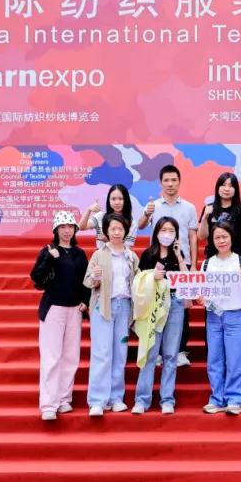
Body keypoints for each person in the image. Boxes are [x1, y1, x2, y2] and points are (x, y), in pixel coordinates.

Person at [136, 165, 199, 368]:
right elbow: (140, 225)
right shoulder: (154, 205)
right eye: (166, 180)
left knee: (182, 308)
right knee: (158, 304)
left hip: (181, 261)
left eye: (174, 180)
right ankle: (157, 350)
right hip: (158, 261)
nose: (170, 184)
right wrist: (147, 213)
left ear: (179, 182)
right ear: (161, 183)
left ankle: (180, 350)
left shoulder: (189, 207)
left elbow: (193, 237)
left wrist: (193, 265)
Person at [29, 211, 89, 421]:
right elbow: (36, 278)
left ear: (75, 229)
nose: (66, 231)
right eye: (62, 227)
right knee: (51, 356)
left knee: (71, 357)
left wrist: (85, 300)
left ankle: (64, 399)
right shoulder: (48, 250)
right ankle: (48, 404)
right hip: (53, 308)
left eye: (70, 227)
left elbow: (86, 280)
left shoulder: (79, 254)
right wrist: (49, 259)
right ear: (56, 230)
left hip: (74, 310)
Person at [83, 212, 140, 417]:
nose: (116, 232)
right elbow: (88, 282)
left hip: (124, 307)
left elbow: (138, 283)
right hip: (103, 307)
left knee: (120, 353)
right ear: (106, 231)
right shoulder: (99, 254)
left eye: (120, 229)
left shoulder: (131, 256)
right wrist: (95, 278)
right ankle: (97, 401)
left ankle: (116, 398)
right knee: (101, 353)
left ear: (126, 231)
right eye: (113, 228)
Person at [201, 222, 241, 415]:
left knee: (236, 359)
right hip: (214, 315)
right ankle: (217, 398)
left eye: (224, 236)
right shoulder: (207, 263)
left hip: (236, 314)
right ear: (212, 241)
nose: (221, 241)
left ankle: (235, 399)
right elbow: (201, 290)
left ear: (232, 238)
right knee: (214, 359)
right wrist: (200, 297)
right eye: (217, 237)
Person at [132, 217, 188, 415]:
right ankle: (142, 399)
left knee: (171, 354)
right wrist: (151, 276)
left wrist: (179, 256)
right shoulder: (148, 254)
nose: (167, 234)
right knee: (150, 352)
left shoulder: (178, 254)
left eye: (171, 230)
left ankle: (167, 399)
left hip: (175, 303)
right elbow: (138, 281)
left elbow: (186, 279)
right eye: (163, 230)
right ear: (156, 232)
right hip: (154, 304)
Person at [198, 172, 241, 259]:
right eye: (223, 185)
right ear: (218, 187)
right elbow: (201, 237)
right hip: (213, 258)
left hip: (235, 258)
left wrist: (236, 251)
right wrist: (205, 217)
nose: (226, 189)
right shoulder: (208, 208)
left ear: (235, 190)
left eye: (231, 186)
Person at [80, 184, 137, 249]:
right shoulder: (100, 217)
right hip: (100, 255)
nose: (117, 202)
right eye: (113, 199)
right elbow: (82, 227)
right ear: (109, 200)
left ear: (126, 200)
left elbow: (127, 248)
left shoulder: (132, 223)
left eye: (121, 199)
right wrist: (89, 210)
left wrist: (108, 240)